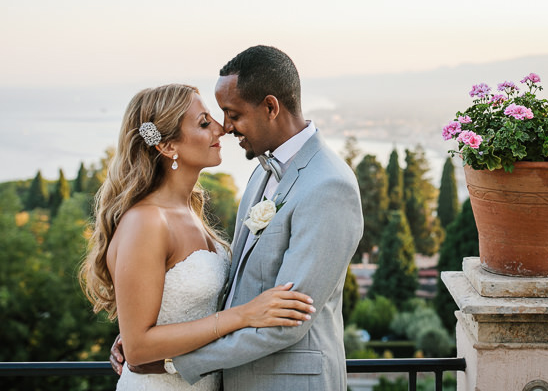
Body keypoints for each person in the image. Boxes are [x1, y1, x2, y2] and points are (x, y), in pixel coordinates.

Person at [111, 45, 364, 390]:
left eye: (232, 114)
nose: (225, 127)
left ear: (271, 107)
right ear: (167, 147)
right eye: (210, 119)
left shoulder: (329, 184)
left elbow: (288, 319)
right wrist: (144, 337)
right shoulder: (260, 174)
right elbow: (231, 294)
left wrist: (169, 360)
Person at [81, 83, 315, 391]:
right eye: (204, 123)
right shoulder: (146, 222)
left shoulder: (189, 211)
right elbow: (138, 349)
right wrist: (244, 315)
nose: (221, 128)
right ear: (167, 146)